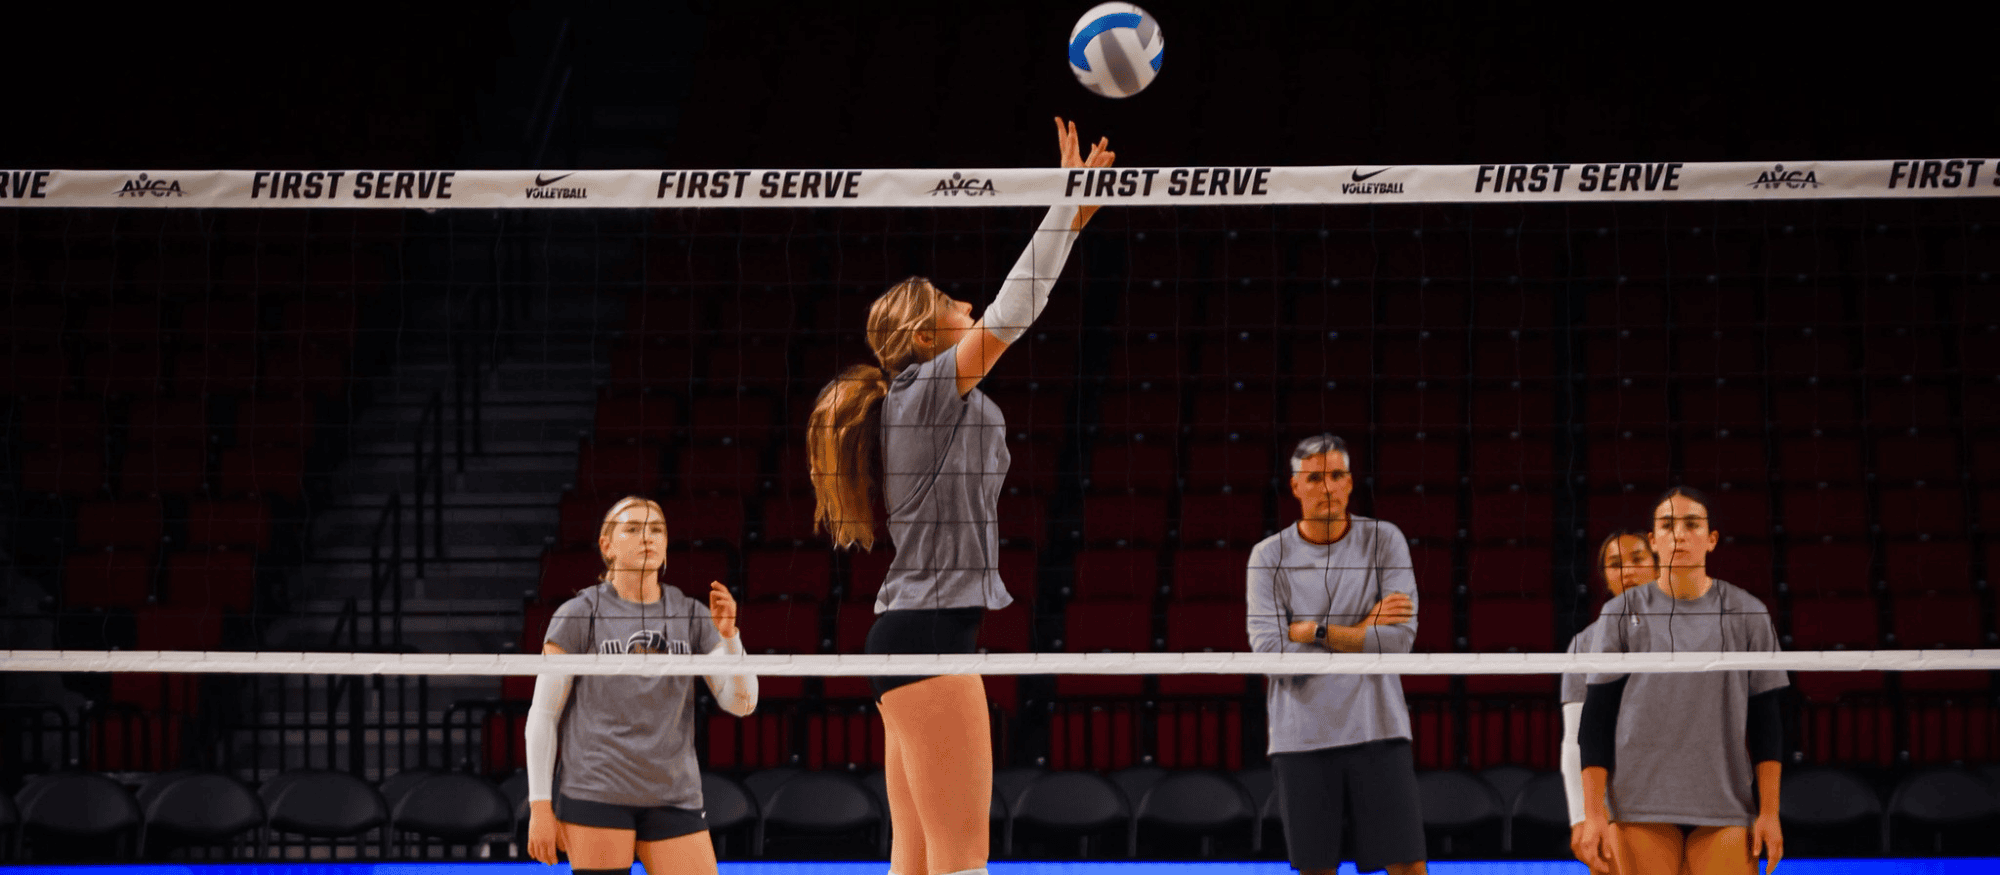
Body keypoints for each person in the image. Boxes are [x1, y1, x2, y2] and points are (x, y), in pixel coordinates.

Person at [805, 117, 1113, 875]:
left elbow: (1007, 314)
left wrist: (1069, 219)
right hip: (926, 640)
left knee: (914, 859)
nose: (965, 303)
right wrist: (1061, 210)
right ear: (922, 332)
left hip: (907, 636)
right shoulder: (924, 389)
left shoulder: (926, 399)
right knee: (961, 860)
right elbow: (1013, 313)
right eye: (949, 300)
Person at [523, 495, 759, 875]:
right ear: (607, 546)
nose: (647, 537)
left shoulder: (692, 614)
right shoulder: (579, 614)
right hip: (595, 791)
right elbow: (544, 714)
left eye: (657, 529)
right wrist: (539, 805)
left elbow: (741, 704)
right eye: (632, 529)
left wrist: (731, 637)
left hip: (674, 794)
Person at [1577, 487, 1786, 875]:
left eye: (1692, 525)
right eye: (1667, 525)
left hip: (1725, 804)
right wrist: (1593, 815)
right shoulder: (1620, 612)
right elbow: (1596, 719)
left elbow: (1766, 720)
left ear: (1711, 540)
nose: (1679, 534)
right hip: (1639, 804)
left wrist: (1770, 813)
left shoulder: (1747, 613)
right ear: (1654, 540)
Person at [1247, 433, 1426, 875]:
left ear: (1350, 482)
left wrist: (1315, 631)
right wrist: (1363, 630)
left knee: (1408, 867)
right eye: (1314, 478)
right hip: (1302, 738)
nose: (1326, 488)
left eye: (1336, 475)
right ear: (1295, 486)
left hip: (1378, 729)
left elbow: (1399, 641)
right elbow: (1272, 657)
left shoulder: (1385, 540)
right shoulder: (1268, 557)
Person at [1561, 529, 1658, 871]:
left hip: (1682, 795)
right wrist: (1580, 816)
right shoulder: (1585, 643)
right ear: (1604, 576)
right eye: (1615, 564)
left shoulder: (1688, 631)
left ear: (1658, 565)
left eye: (1637, 560)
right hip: (1616, 803)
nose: (1628, 571)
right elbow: (1575, 738)